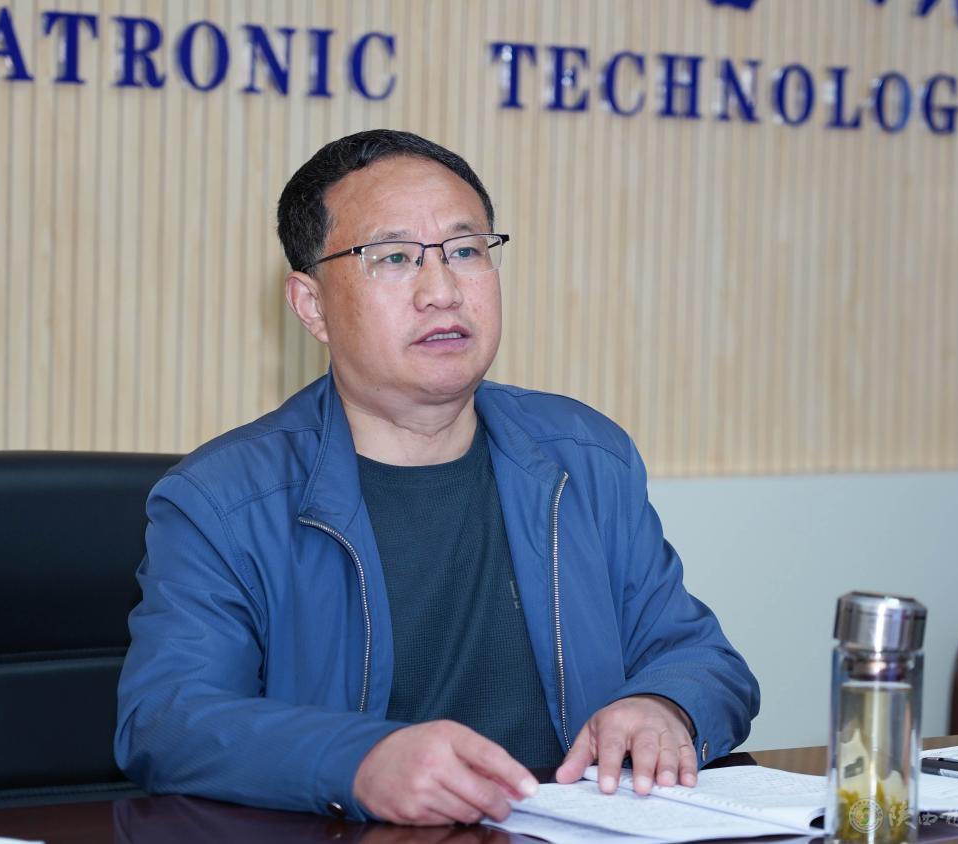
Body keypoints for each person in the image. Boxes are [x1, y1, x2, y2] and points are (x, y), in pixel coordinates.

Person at [114, 129, 760, 826]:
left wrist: (664, 705)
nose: (443, 291)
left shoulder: (584, 457)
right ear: (311, 305)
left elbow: (698, 656)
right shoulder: (223, 499)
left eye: (465, 251)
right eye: (394, 257)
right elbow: (168, 720)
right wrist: (357, 760)